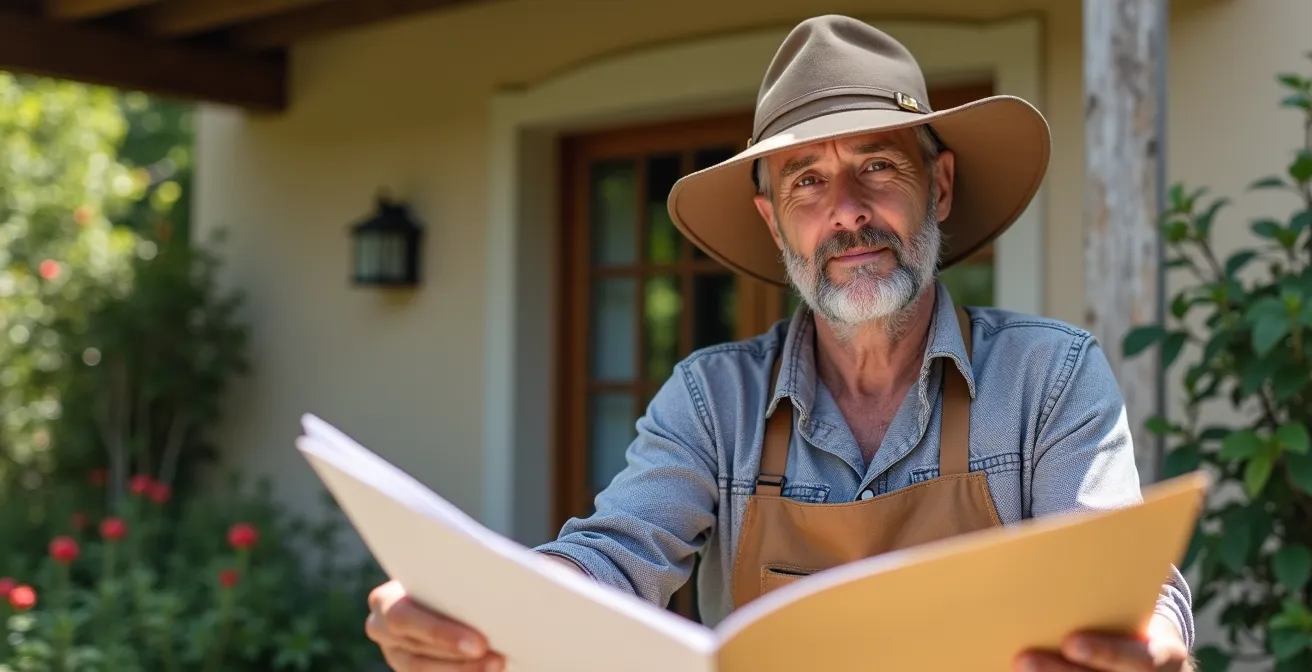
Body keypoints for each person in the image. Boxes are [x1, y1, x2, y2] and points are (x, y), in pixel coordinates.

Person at [364, 14, 1195, 672]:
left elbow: (1120, 582)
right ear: (772, 221)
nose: (847, 212)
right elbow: (613, 556)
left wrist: (1146, 643)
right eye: (807, 181)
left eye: (878, 166)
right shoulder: (712, 401)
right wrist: (486, 610)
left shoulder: (1050, 376)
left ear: (938, 187)